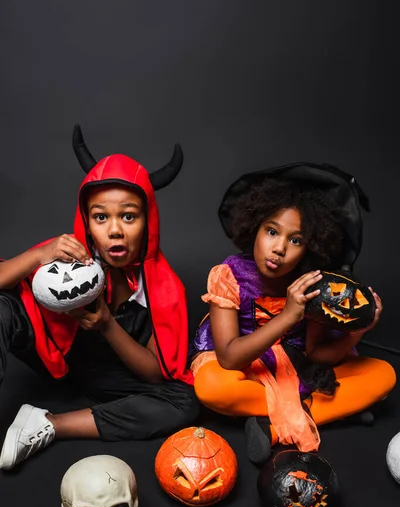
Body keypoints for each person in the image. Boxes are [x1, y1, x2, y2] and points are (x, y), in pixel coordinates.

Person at [0, 125, 199, 470]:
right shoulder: (65, 258)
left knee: (184, 402)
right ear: (87, 222)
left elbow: (155, 373)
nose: (115, 229)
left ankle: (50, 423)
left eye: (128, 216)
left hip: (112, 378)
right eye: (101, 217)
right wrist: (38, 255)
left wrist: (107, 323)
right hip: (54, 356)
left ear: (147, 222)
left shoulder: (164, 287)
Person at [190, 163, 396, 465]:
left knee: (384, 375)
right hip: (247, 368)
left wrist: (358, 332)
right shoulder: (228, 274)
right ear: (255, 228)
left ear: (309, 247)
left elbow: (316, 355)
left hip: (295, 367)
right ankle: (327, 411)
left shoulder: (312, 283)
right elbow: (230, 358)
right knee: (210, 386)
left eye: (295, 240)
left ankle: (271, 429)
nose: (279, 248)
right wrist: (287, 316)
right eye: (272, 232)